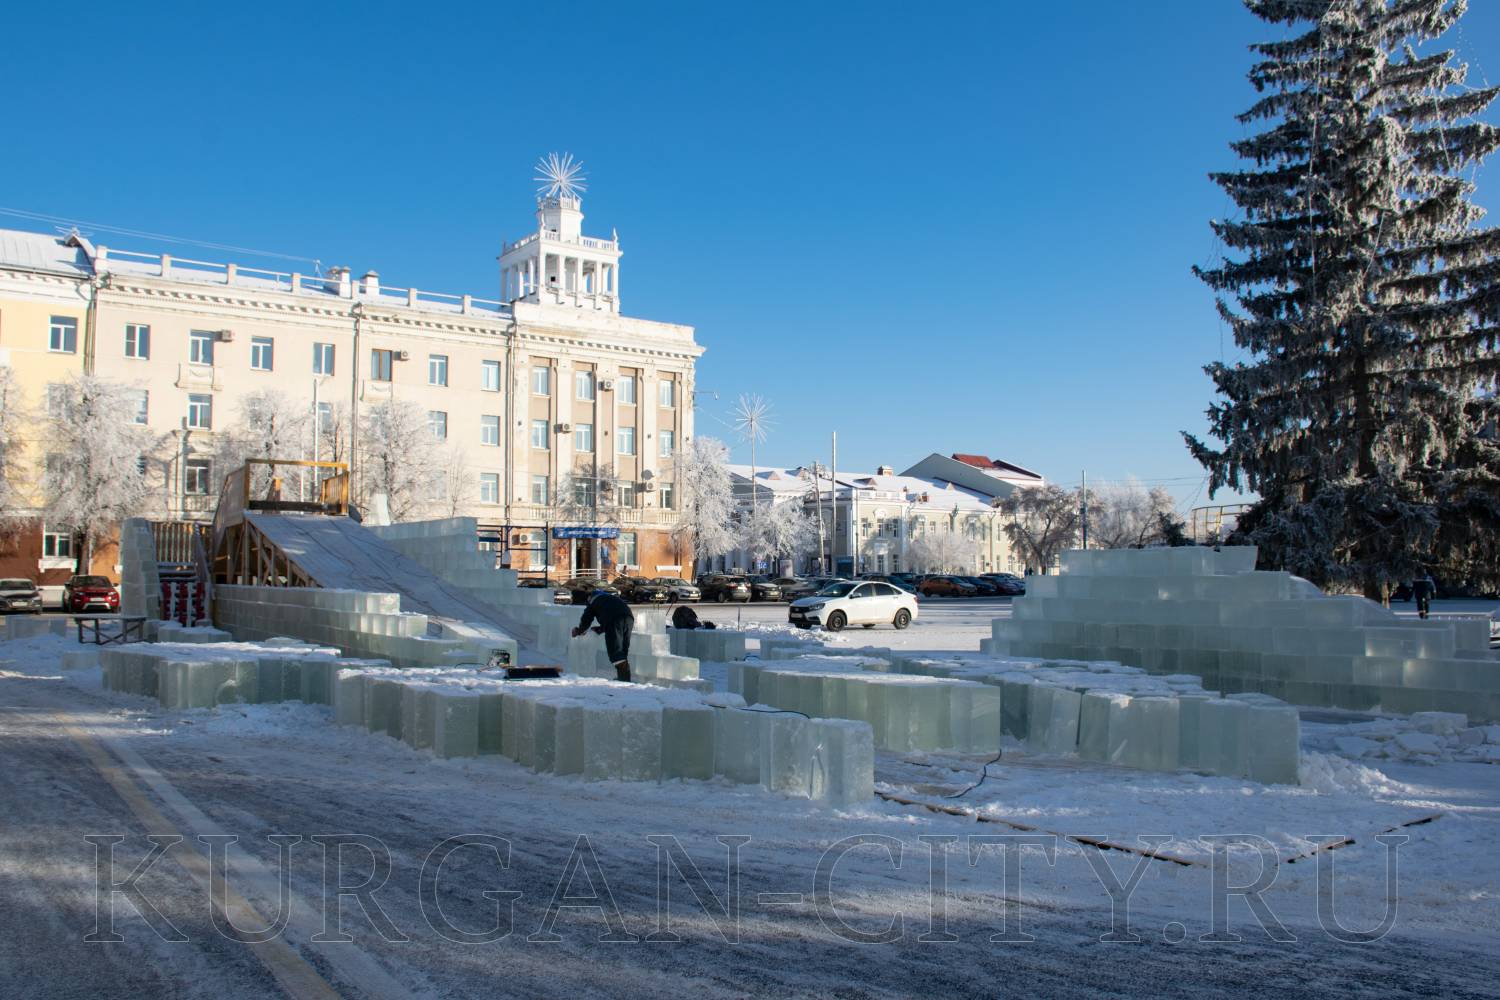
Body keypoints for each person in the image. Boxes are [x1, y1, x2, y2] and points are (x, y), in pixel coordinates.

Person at [573, 588, 635, 682]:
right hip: (629, 618)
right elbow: (610, 611)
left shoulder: (594, 601)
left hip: (614, 620)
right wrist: (601, 629)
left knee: (615, 650)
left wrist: (580, 630)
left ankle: (624, 680)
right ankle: (623, 677)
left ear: (591, 597)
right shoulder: (608, 598)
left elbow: (587, 618)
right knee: (623, 649)